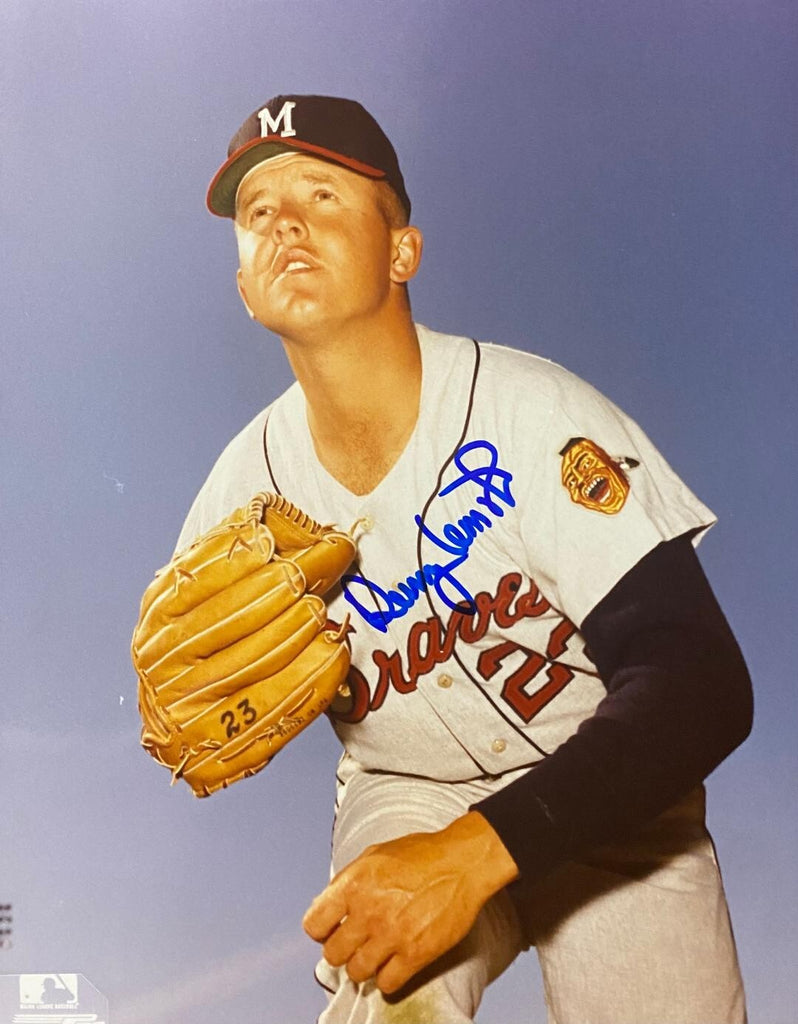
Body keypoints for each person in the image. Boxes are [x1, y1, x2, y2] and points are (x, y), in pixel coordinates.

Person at [176, 94, 752, 1023]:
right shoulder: (236, 502)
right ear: (244, 287)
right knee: (387, 996)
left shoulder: (533, 412)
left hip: (611, 784)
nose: (283, 222)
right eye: (257, 210)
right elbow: (196, 693)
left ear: (401, 252)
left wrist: (478, 852)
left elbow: (700, 684)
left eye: (321, 195)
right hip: (406, 790)